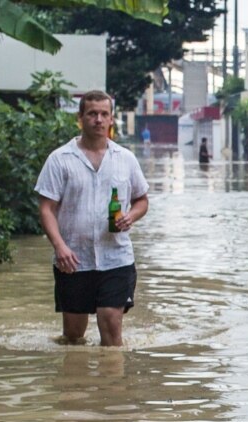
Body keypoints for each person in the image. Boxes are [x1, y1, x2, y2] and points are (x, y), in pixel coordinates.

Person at [35, 90, 149, 347]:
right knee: (74, 336)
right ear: (81, 118)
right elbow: (46, 209)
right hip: (73, 260)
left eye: (104, 114)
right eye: (92, 114)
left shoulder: (126, 159)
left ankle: (110, 385)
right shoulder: (59, 159)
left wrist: (130, 216)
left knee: (111, 328)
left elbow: (142, 200)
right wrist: (60, 246)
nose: (98, 119)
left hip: (116, 257)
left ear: (111, 119)